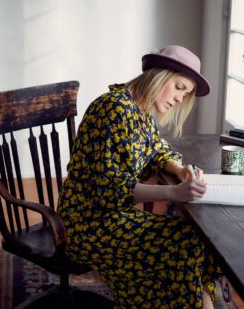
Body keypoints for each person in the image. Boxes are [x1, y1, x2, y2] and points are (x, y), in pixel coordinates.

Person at [57, 45, 223, 309]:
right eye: (179, 87)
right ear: (159, 75)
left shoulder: (140, 110)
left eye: (187, 93)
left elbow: (156, 148)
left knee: (195, 242)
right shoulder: (115, 109)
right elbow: (111, 189)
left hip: (112, 216)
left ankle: (197, 302)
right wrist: (173, 193)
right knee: (185, 245)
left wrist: (179, 168)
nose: (181, 99)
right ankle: (193, 302)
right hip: (87, 221)